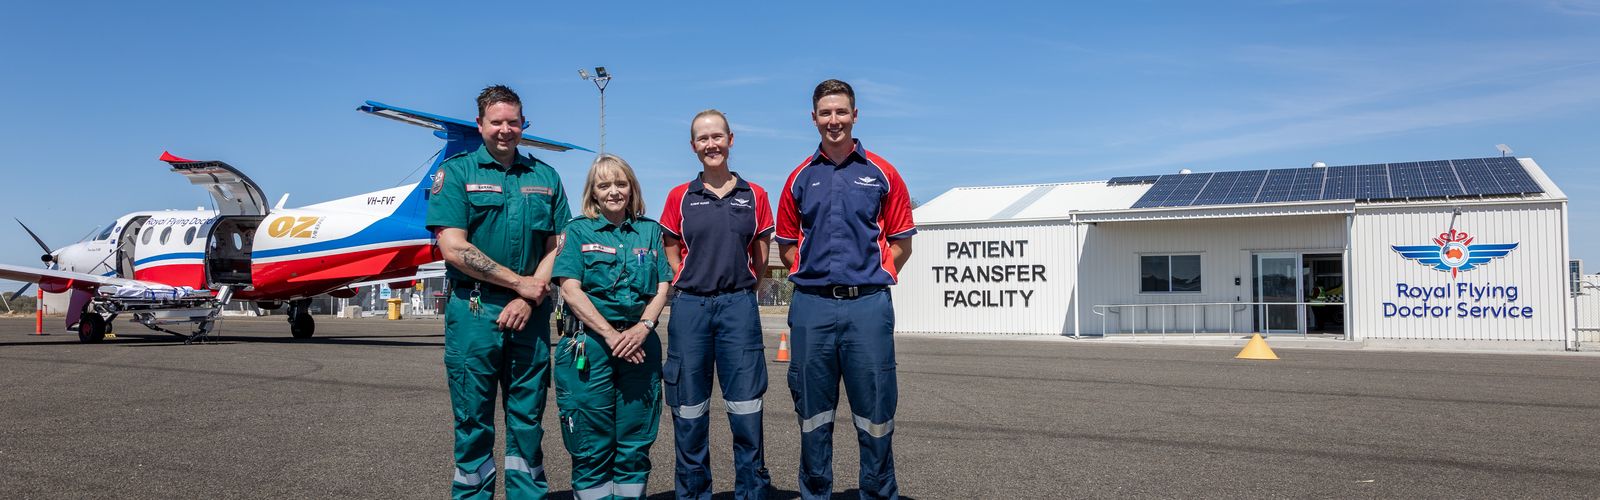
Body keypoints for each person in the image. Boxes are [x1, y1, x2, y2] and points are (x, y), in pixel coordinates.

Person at [775, 79, 916, 500]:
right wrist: (815, 274)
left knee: (875, 411)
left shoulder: (883, 173)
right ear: (813, 118)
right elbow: (785, 246)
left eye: (841, 112)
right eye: (825, 113)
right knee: (813, 414)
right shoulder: (799, 177)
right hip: (813, 308)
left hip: (868, 307)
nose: (833, 120)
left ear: (855, 115)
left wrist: (872, 273)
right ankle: (816, 494)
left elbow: (901, 242)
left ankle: (876, 493)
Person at [427, 85, 571, 499]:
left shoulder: (544, 176)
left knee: (528, 417)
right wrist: (518, 284)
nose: (505, 130)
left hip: (530, 312)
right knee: (473, 418)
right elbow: (453, 247)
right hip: (474, 311)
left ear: (523, 124)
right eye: (497, 122)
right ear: (480, 125)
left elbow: (559, 244)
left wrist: (529, 296)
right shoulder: (456, 173)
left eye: (513, 122)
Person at [659, 109, 775, 499]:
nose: (711, 144)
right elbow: (671, 247)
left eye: (717, 137)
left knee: (746, 412)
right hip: (690, 308)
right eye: (702, 139)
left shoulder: (755, 195)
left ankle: (751, 492)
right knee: (689, 412)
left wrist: (742, 289)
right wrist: (685, 279)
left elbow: (760, 255)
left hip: (737, 307)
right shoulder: (679, 197)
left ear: (730, 139)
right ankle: (693, 493)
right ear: (693, 146)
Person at [552, 153, 672, 500]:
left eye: (621, 183)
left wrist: (644, 327)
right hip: (591, 345)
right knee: (591, 441)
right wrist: (610, 334)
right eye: (604, 185)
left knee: (636, 439)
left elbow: (663, 284)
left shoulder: (650, 231)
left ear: (632, 188)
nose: (614, 191)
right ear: (593, 191)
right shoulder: (577, 231)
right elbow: (570, 289)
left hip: (640, 343)